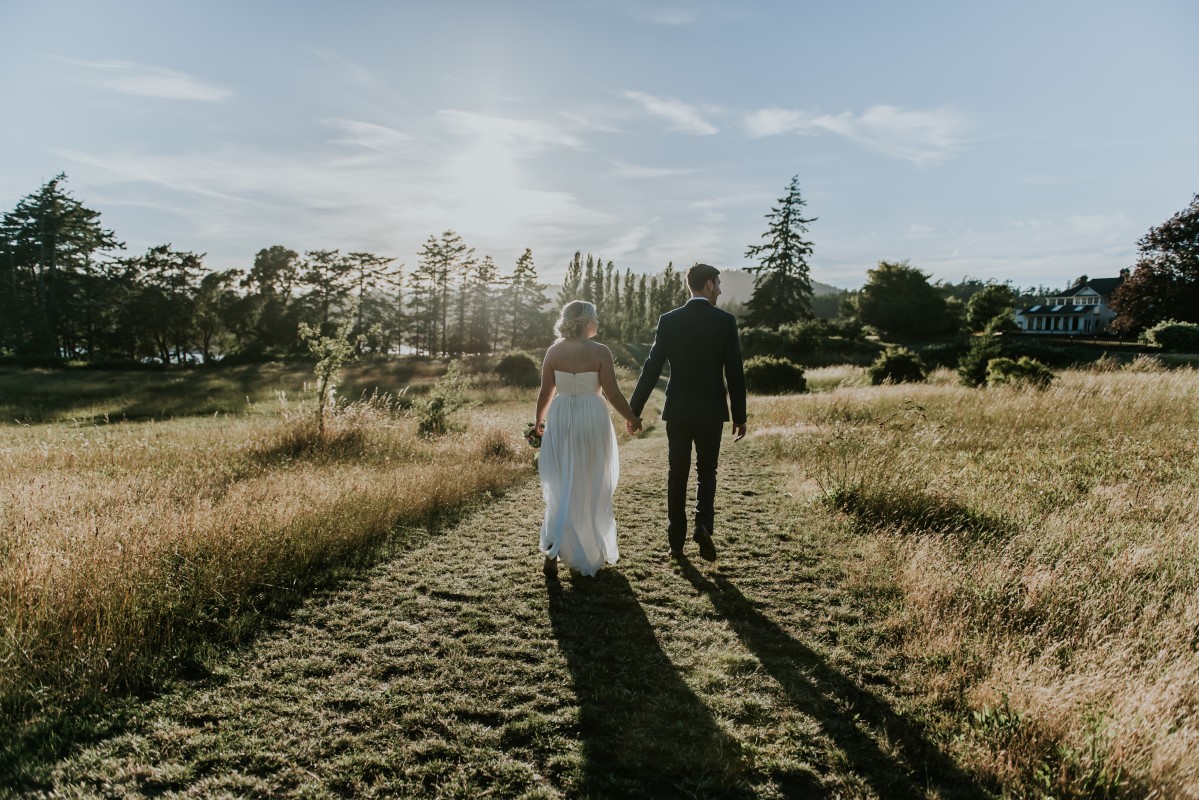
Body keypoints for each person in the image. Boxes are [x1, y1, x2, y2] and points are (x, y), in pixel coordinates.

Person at [629, 263, 747, 562]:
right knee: (707, 472)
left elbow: (651, 368)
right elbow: (735, 372)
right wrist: (739, 415)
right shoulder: (725, 322)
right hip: (711, 411)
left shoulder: (669, 321)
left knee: (676, 474)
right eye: (718, 284)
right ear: (708, 284)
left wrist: (634, 411)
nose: (720, 290)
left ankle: (676, 543)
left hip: (678, 410)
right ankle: (704, 525)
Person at [536, 300, 642, 577]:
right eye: (594, 318)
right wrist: (632, 418)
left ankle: (553, 549)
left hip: (561, 416)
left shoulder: (553, 351)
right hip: (591, 417)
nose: (598, 322)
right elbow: (613, 393)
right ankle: (588, 546)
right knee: (591, 481)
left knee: (561, 484)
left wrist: (539, 421)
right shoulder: (600, 352)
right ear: (585, 322)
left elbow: (546, 393)